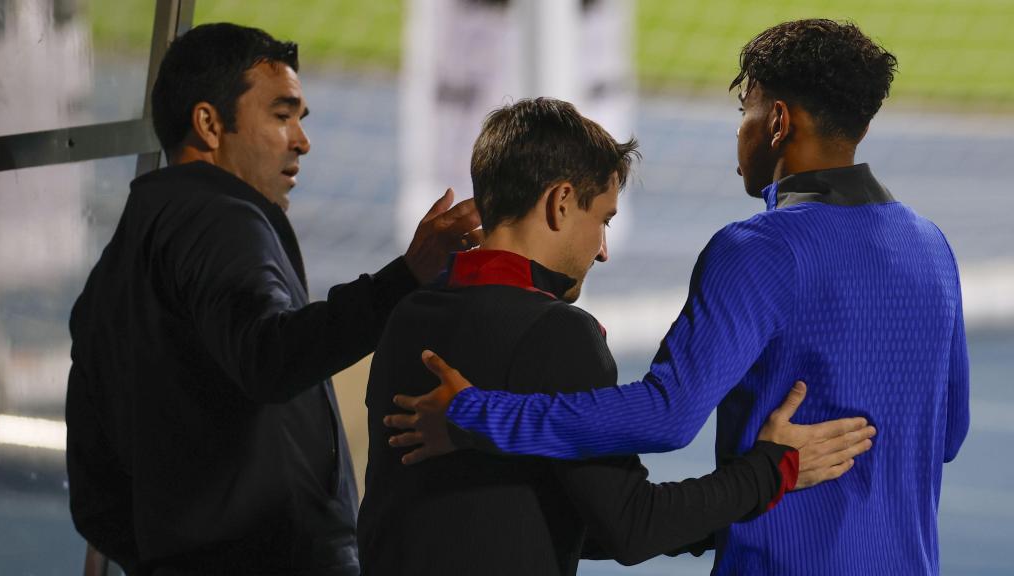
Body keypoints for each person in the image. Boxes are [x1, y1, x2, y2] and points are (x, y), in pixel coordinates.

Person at [388, 19, 969, 575]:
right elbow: (949, 433)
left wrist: (476, 414)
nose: (740, 132)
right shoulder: (931, 246)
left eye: (747, 112)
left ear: (778, 122)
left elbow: (668, 415)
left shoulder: (758, 249)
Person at [361, 97, 874, 576]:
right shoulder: (558, 333)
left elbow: (551, 515)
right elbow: (632, 527)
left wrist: (730, 509)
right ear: (562, 202)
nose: (602, 250)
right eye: (602, 218)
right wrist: (773, 471)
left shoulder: (407, 314)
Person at [64, 23, 480, 576]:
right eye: (281, 115)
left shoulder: (121, 261)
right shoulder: (219, 216)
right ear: (209, 123)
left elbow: (95, 491)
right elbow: (271, 357)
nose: (302, 140)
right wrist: (406, 276)